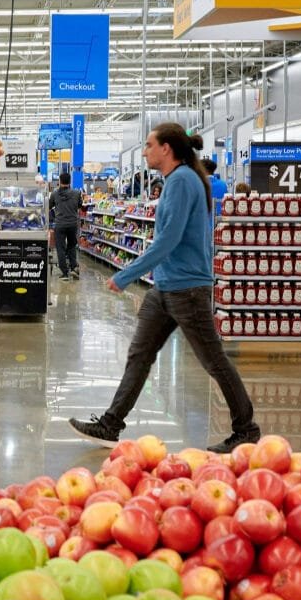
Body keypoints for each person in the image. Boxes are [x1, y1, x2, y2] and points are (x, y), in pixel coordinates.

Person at [68, 123, 261, 453]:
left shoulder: (183, 181)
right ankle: (109, 425)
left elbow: (168, 240)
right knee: (139, 355)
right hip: (166, 287)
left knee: (214, 361)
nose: (144, 151)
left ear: (166, 149)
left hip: (187, 288)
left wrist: (126, 274)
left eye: (148, 145)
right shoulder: (177, 180)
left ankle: (246, 429)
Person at [48, 172, 82, 281]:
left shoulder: (55, 194)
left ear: (59, 181)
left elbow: (49, 206)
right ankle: (73, 268)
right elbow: (80, 205)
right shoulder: (77, 193)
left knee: (60, 248)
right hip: (72, 224)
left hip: (60, 224)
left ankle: (64, 273)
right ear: (70, 181)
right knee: (72, 246)